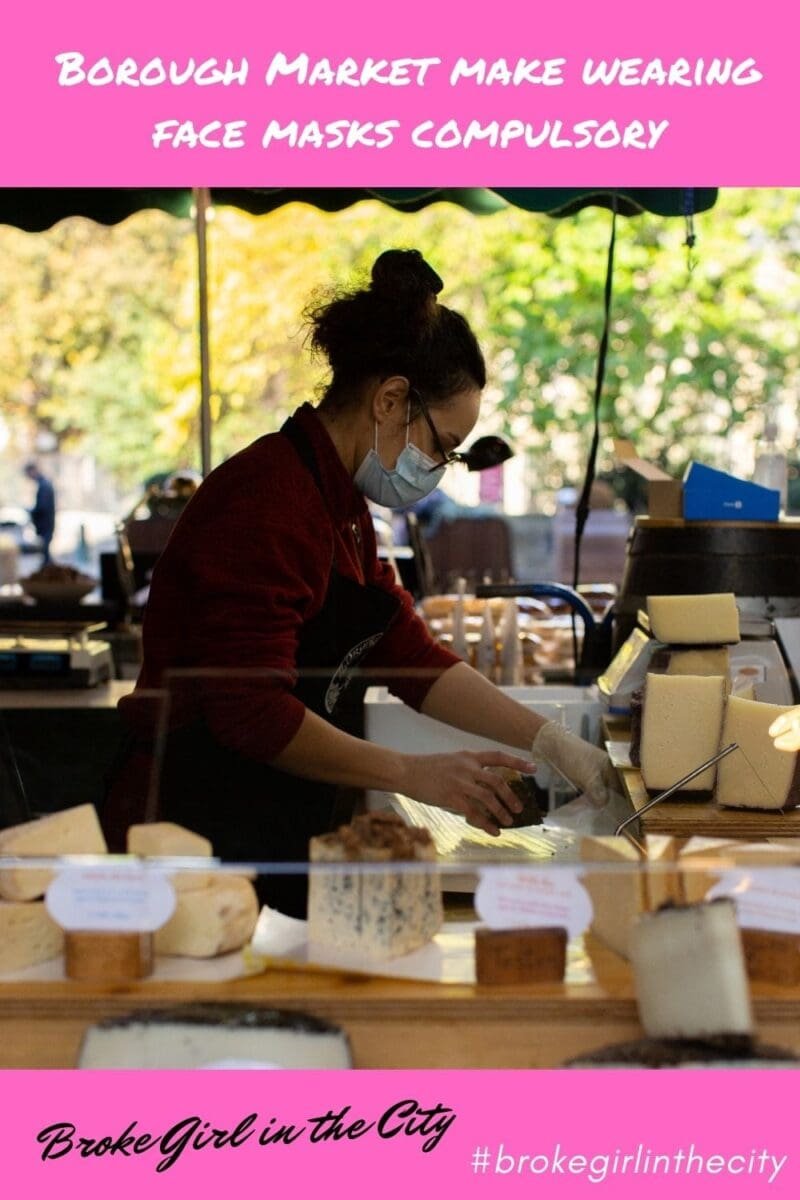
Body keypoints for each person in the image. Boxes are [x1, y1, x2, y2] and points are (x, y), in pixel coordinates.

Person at [107, 249, 617, 917]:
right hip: (191, 839)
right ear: (390, 399)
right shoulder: (267, 501)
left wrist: (552, 740)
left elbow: (407, 654)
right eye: (444, 445)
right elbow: (249, 710)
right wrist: (413, 773)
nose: (441, 467)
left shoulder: (341, 505)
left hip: (273, 828)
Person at [23, 461, 56, 564]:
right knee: (45, 554)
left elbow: (43, 507)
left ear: (33, 471)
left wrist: (31, 511)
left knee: (45, 554)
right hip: (46, 523)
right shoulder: (43, 484)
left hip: (45, 523)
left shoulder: (44, 485)